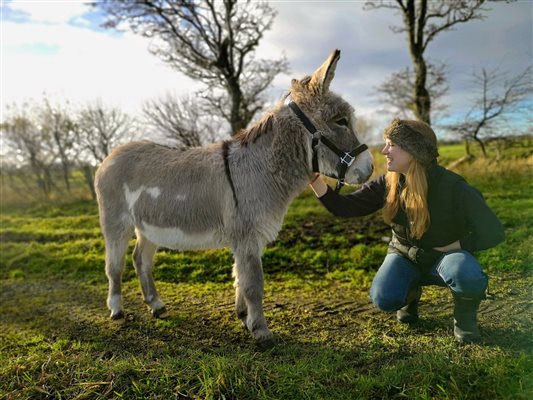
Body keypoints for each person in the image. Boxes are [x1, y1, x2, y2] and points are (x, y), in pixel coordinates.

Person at [309, 118, 504, 344]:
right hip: (405, 256)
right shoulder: (388, 182)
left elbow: (494, 231)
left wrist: (458, 246)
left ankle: (464, 318)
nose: (384, 151)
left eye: (391, 144)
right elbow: (346, 207)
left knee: (466, 274)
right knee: (383, 298)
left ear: (414, 150)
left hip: (447, 258)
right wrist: (313, 179)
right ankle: (410, 294)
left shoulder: (453, 187)